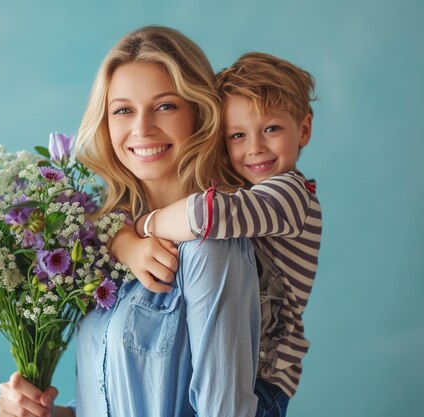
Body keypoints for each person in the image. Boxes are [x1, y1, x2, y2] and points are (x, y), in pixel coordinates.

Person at [0, 26, 261, 417]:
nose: (141, 128)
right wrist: (45, 414)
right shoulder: (101, 248)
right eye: (123, 110)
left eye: (165, 106)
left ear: (199, 114)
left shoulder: (210, 247)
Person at [114, 52, 322, 417]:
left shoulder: (291, 194)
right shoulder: (248, 191)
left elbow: (206, 213)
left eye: (271, 128)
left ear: (303, 129)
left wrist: (143, 226)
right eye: (238, 135)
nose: (255, 147)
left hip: (263, 383)